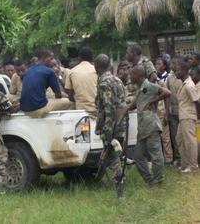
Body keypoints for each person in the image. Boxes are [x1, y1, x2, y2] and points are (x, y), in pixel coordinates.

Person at [129, 65, 170, 185]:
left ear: (139, 75)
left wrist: (153, 101)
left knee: (156, 154)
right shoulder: (140, 88)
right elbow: (134, 105)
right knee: (138, 156)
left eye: (132, 74)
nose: (130, 76)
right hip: (142, 128)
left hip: (151, 125)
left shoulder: (149, 85)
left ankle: (158, 180)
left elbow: (167, 92)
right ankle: (150, 180)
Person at [94, 54, 126, 182]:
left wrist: (107, 130)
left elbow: (109, 108)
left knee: (111, 153)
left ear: (96, 67)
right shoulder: (117, 80)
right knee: (112, 153)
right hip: (120, 122)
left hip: (111, 124)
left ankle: (119, 178)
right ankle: (112, 177)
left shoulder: (104, 83)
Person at [20, 50, 67, 118]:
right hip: (39, 109)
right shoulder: (49, 71)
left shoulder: (28, 70)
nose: (53, 61)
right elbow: (58, 95)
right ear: (45, 58)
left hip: (25, 109)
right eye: (51, 58)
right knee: (71, 103)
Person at [175, 60, 199, 173]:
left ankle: (193, 166)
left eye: (178, 70)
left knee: (190, 141)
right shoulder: (183, 84)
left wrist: (198, 117)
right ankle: (185, 164)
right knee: (179, 139)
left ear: (184, 71)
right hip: (183, 116)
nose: (176, 72)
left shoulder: (189, 85)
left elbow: (197, 101)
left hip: (188, 116)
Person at [65, 47, 97, 114]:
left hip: (81, 110)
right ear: (92, 58)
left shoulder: (72, 71)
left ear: (79, 58)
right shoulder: (97, 70)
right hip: (97, 109)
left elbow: (70, 96)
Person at [154, 57, 172, 164]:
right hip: (154, 113)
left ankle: (169, 158)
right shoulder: (149, 82)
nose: (157, 66)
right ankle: (159, 159)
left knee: (165, 137)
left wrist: (166, 113)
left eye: (158, 64)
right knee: (156, 138)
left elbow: (167, 97)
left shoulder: (161, 82)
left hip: (161, 112)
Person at [166, 58, 183, 166]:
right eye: (171, 63)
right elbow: (167, 95)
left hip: (183, 110)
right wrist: (167, 111)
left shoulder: (184, 76)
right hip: (173, 111)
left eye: (174, 63)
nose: (172, 65)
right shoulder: (169, 78)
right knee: (175, 136)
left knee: (185, 136)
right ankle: (178, 158)